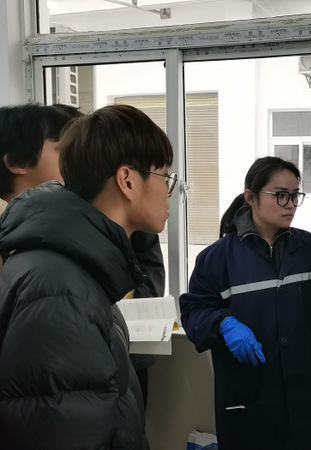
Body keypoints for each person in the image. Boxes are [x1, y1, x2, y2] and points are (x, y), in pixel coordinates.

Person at [179, 156, 311, 450]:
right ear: (250, 197)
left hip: (307, 400)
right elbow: (194, 311)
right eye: (280, 195)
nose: (289, 204)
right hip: (251, 401)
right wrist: (223, 323)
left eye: (294, 195)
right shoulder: (217, 259)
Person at [0, 104, 175, 449]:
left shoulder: (78, 268)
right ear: (127, 180)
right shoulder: (61, 289)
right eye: (164, 177)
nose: (170, 192)